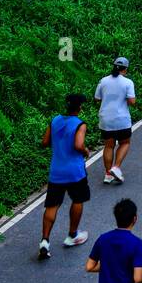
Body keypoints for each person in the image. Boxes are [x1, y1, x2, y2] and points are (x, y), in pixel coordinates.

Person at [39, 93, 90, 260]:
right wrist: (85, 151)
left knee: (52, 205)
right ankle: (72, 235)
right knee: (77, 200)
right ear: (80, 107)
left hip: (56, 171)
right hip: (74, 172)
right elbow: (78, 145)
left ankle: (45, 241)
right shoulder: (79, 124)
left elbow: (45, 142)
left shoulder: (55, 120)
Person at [94, 56, 136, 185]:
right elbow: (132, 101)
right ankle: (116, 167)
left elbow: (97, 99)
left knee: (109, 145)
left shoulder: (103, 81)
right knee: (125, 143)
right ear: (126, 69)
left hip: (105, 119)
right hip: (122, 119)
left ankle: (108, 174)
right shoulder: (128, 82)